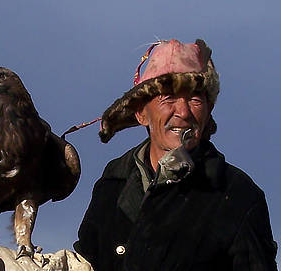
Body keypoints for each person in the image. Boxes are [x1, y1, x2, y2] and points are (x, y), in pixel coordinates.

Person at [74, 39, 278, 270]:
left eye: (194, 99)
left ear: (208, 111)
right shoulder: (113, 183)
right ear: (141, 113)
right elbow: (87, 260)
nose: (183, 112)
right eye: (168, 97)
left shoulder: (237, 196)